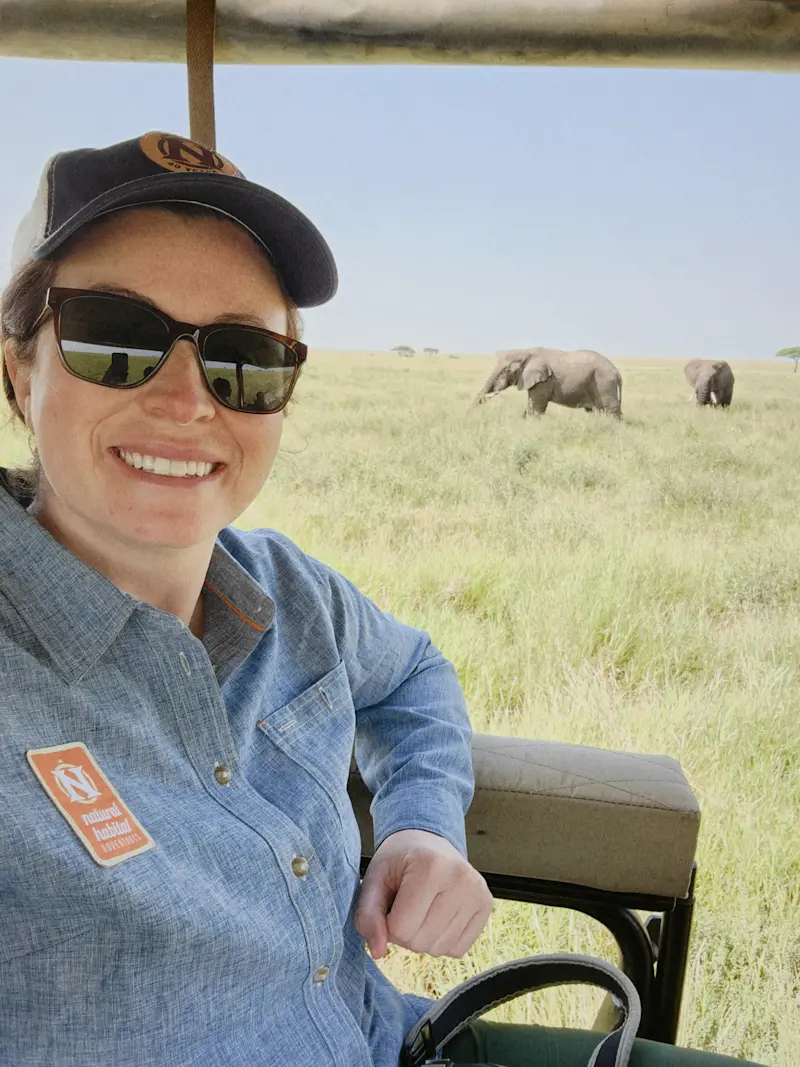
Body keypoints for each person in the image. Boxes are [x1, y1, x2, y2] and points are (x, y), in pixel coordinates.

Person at [0, 133, 761, 1067]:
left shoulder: (289, 591)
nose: (186, 398)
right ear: (19, 371)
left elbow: (414, 674)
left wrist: (421, 825)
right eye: (115, 338)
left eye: (245, 356)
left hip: (397, 1036)